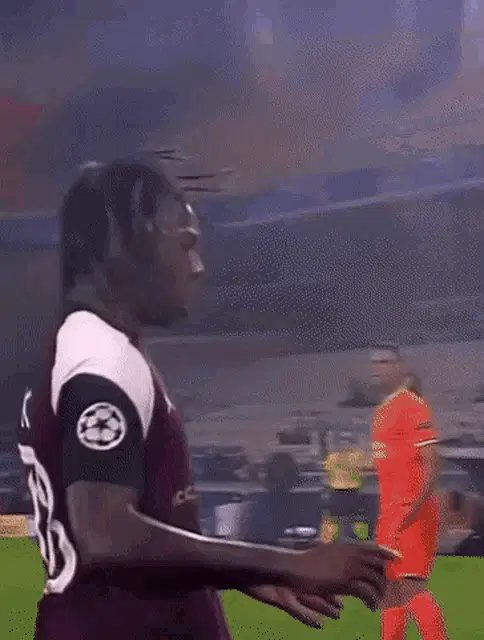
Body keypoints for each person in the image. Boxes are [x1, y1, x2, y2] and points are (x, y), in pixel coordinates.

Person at [17, 155, 394, 640]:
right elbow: (106, 535)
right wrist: (289, 563)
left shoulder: (86, 346)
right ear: (127, 243)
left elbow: (140, 528)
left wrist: (239, 572)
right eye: (185, 244)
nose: (197, 267)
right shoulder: (100, 359)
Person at [370, 344, 448, 640]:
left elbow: (432, 461)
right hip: (389, 515)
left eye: (384, 361)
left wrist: (415, 508)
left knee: (411, 586)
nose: (377, 368)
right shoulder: (382, 411)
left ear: (400, 367)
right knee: (390, 591)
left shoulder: (412, 405)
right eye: (374, 363)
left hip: (412, 513)